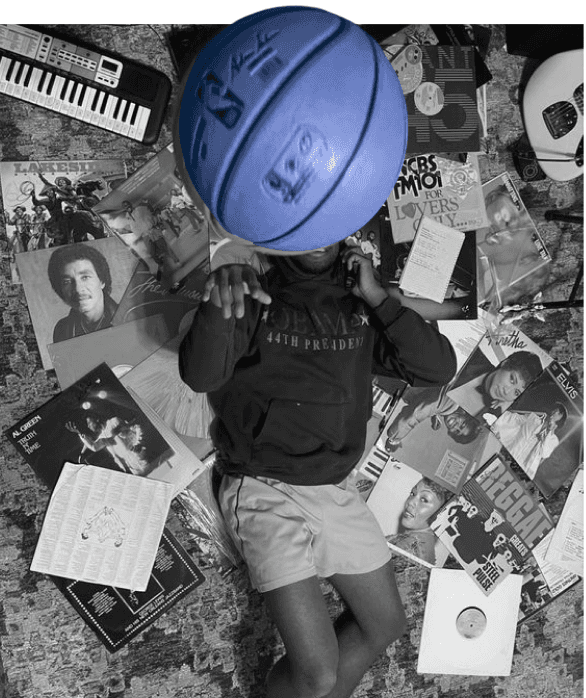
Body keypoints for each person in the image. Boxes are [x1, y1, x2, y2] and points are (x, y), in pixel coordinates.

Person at [179, 240, 457, 698]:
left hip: (334, 487)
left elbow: (437, 368)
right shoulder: (252, 288)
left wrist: (379, 298)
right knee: (318, 676)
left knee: (386, 625)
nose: (320, 239)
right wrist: (217, 303)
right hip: (264, 484)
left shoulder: (362, 298)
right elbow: (201, 376)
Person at [47, 243, 118, 342]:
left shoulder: (129, 317)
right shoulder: (62, 330)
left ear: (102, 281)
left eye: (85, 277)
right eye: (67, 282)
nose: (78, 289)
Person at [448, 350, 543, 423]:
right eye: (512, 379)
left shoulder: (495, 417)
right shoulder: (473, 356)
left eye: (516, 392)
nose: (507, 391)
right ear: (505, 364)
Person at [384, 388, 482, 451]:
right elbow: (416, 414)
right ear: (465, 413)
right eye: (462, 424)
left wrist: (436, 417)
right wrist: (394, 439)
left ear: (450, 432)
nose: (456, 426)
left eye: (457, 431)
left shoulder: (445, 409)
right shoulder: (448, 401)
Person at [386, 477, 451, 566]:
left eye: (424, 500)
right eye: (413, 493)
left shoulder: (410, 547)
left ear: (441, 513)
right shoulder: (422, 541)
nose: (411, 502)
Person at [493, 402, 568, 478]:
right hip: (509, 456)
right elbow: (515, 419)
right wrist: (501, 411)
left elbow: (544, 453)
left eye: (558, 413)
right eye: (555, 410)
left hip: (523, 471)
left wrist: (548, 431)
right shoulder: (533, 418)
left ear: (561, 419)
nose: (554, 412)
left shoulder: (553, 440)